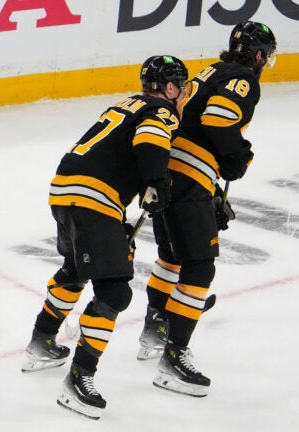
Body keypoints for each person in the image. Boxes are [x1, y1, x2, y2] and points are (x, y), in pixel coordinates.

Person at [22, 56, 189, 419]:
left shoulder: (126, 103)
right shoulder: (162, 110)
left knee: (75, 269)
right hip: (94, 198)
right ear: (171, 88)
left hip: (65, 188)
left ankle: (41, 340)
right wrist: (156, 183)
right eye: (182, 88)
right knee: (115, 292)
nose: (182, 96)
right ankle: (78, 380)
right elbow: (148, 141)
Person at [137, 21, 277, 397]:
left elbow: (191, 117)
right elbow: (217, 118)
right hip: (189, 179)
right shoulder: (243, 78)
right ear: (259, 55)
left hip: (167, 172)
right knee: (200, 264)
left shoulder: (208, 71)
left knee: (172, 256)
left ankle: (156, 327)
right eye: (267, 56)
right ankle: (173, 357)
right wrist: (236, 154)